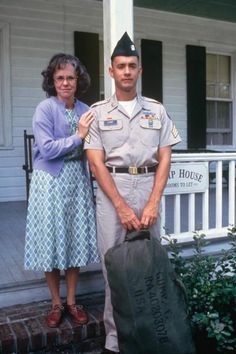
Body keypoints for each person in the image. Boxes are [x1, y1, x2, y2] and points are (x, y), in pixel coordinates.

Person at [84, 32, 182, 354]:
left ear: (140, 71)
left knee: (149, 264)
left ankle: (153, 333)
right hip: (114, 189)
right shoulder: (98, 113)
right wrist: (122, 207)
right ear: (110, 71)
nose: (127, 71)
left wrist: (153, 201)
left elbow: (165, 155)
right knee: (115, 267)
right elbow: (97, 165)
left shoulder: (156, 110)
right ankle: (116, 340)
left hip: (149, 186)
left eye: (132, 66)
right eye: (120, 66)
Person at [24, 53, 100, 328]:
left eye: (70, 77)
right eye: (60, 78)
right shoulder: (45, 109)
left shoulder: (85, 110)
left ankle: (71, 301)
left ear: (78, 80)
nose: (65, 83)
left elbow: (93, 147)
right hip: (49, 184)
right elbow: (47, 149)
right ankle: (56, 303)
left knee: (73, 240)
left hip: (77, 183)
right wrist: (78, 137)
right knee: (50, 242)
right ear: (52, 81)